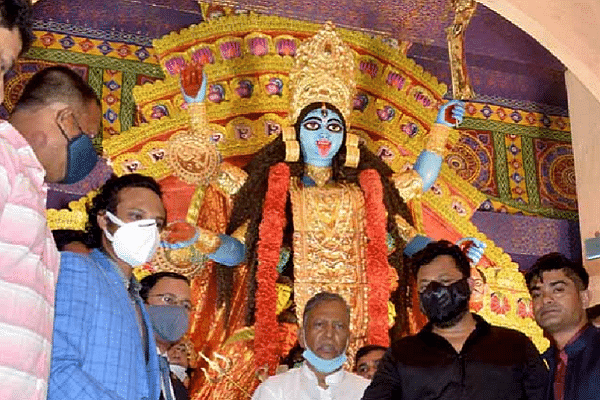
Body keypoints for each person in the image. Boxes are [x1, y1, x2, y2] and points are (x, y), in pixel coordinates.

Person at [180, 22, 471, 373]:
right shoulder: (278, 188)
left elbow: (416, 199)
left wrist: (440, 127)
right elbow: (234, 233)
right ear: (294, 133)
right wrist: (199, 237)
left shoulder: (368, 189)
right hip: (295, 326)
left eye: (333, 127)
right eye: (313, 126)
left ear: (345, 138)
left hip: (367, 327)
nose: (323, 135)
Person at [1, 64, 101, 398]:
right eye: (88, 135)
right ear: (65, 119)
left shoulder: (28, 186)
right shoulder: (3, 154)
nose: (90, 150)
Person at [362, 240, 547, 400]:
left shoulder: (514, 345)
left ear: (469, 284)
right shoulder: (401, 355)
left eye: (445, 281)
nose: (435, 290)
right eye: (425, 285)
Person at [47, 174, 165, 400]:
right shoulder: (79, 269)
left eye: (157, 223)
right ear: (104, 219)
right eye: (136, 216)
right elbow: (56, 369)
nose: (149, 229)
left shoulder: (136, 297)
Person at [252, 292, 369, 400]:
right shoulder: (275, 390)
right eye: (319, 325)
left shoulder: (368, 392)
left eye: (338, 326)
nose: (329, 334)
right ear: (301, 336)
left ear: (350, 339)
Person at [525, 252, 600, 400]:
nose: (546, 299)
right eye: (537, 295)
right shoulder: (546, 364)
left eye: (558, 290)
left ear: (584, 298)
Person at [141, 272, 193, 400]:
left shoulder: (177, 387)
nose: (178, 310)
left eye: (185, 305)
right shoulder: (124, 360)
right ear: (141, 303)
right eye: (168, 299)